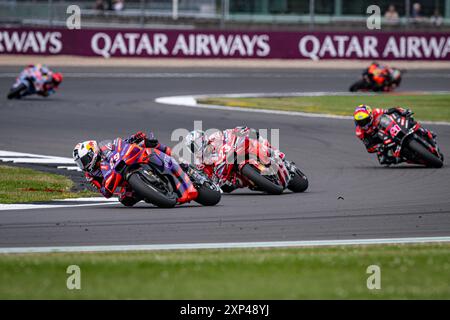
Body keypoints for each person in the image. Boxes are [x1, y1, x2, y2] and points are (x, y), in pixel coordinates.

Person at [73, 131, 173, 206]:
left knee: (148, 142)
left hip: (128, 160)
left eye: (84, 161)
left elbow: (121, 143)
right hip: (125, 181)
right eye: (80, 163)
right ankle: (154, 194)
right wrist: (106, 185)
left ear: (92, 153)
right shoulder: (91, 175)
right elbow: (105, 193)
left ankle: (174, 158)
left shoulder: (104, 147)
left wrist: (134, 137)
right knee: (125, 200)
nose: (84, 165)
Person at [184, 126, 286, 192]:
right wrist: (214, 180)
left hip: (236, 151)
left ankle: (275, 153)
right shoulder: (200, 161)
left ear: (203, 138)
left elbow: (229, 132)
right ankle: (259, 180)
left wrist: (240, 130)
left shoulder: (215, 137)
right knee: (230, 186)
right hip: (229, 172)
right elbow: (208, 175)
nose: (196, 147)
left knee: (255, 140)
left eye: (196, 143)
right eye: (193, 146)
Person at [353, 104, 435, 165]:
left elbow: (390, 111)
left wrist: (402, 111)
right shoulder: (360, 132)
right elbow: (369, 147)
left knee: (409, 119)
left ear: (370, 116)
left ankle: (426, 132)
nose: (363, 124)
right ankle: (404, 158)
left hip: (390, 128)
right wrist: (379, 147)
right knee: (383, 160)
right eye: (359, 122)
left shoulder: (376, 112)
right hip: (382, 141)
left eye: (364, 120)